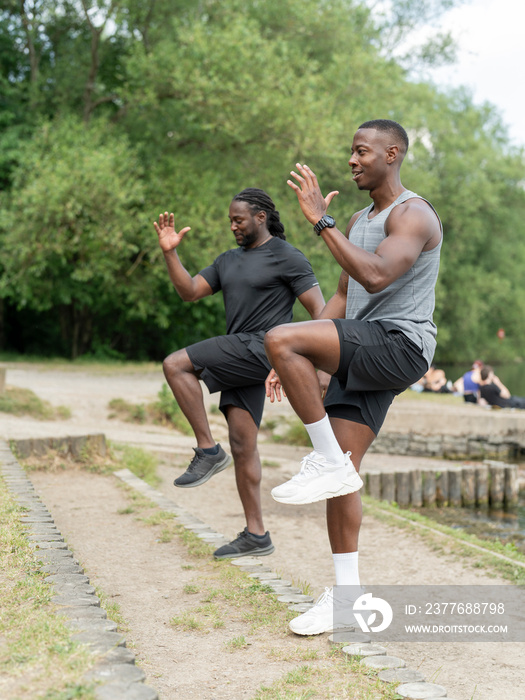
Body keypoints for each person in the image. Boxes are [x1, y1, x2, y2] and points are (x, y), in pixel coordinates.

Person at [264, 119, 442, 635]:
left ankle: (324, 459)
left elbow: (377, 274)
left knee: (279, 336)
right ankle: (346, 597)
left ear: (392, 154)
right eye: (351, 152)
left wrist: (322, 223)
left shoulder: (414, 214)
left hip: (399, 343)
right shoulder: (362, 218)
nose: (352, 160)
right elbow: (343, 300)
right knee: (343, 474)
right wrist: (303, 361)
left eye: (362, 152)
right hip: (364, 345)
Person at [153, 188, 325, 560]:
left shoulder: (288, 257)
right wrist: (171, 253)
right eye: (230, 220)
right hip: (241, 353)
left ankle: (206, 449)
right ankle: (256, 534)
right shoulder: (228, 260)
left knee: (175, 364)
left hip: (261, 348)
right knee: (244, 446)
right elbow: (190, 291)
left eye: (239, 220)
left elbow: (321, 313)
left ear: (260, 217)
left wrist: (300, 362)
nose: (233, 226)